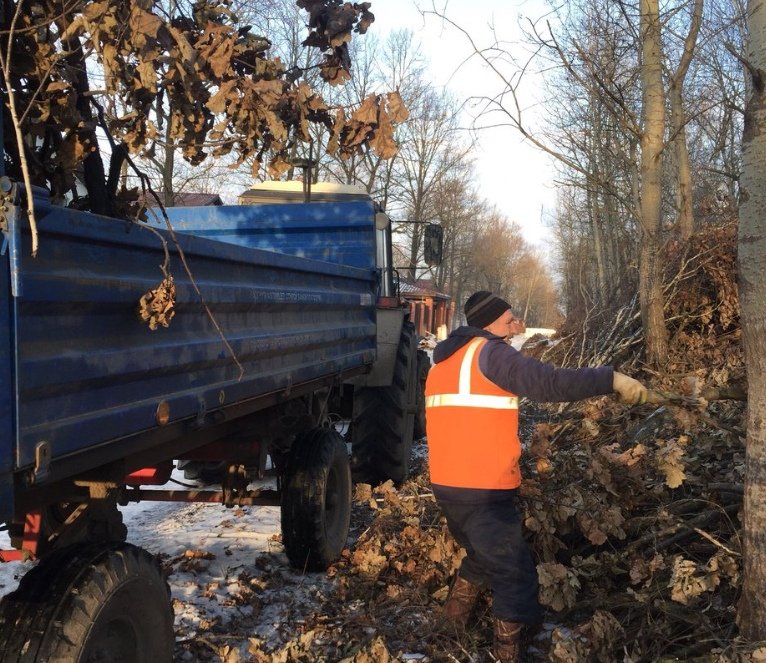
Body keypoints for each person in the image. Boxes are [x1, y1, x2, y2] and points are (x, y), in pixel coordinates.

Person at [424, 291, 648, 662]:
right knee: (515, 575)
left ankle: (451, 627)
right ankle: (509, 653)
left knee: (482, 554)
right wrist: (611, 379)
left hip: (448, 484)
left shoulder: (444, 360)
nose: (516, 326)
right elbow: (550, 383)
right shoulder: (490, 354)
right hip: (483, 486)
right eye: (510, 319)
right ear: (490, 323)